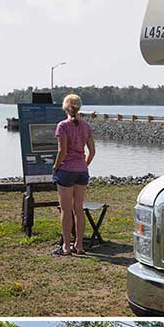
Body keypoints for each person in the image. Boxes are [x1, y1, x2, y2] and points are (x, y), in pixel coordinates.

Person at [52, 93, 96, 255]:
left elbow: (62, 151)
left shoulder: (62, 126)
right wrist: (85, 164)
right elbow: (92, 151)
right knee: (79, 208)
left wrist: (56, 167)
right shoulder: (86, 126)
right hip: (82, 171)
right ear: (79, 108)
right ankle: (79, 245)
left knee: (66, 209)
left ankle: (66, 246)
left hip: (66, 170)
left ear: (65, 107)